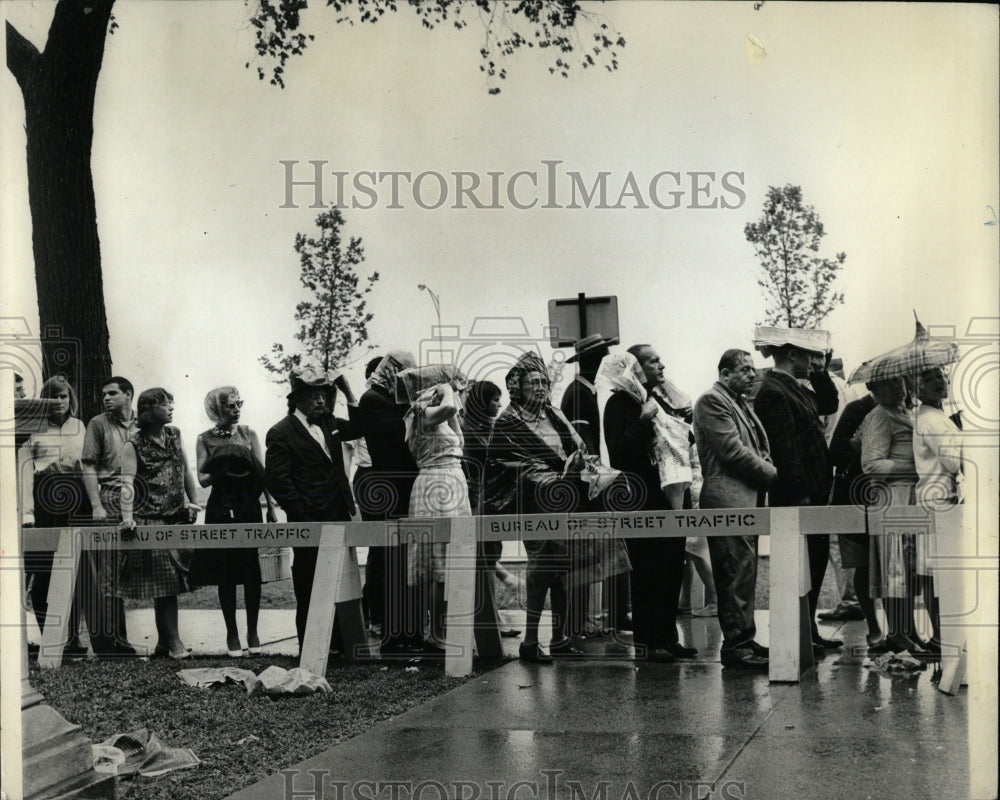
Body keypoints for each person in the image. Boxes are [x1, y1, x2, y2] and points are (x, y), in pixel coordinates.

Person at [484, 352, 596, 663]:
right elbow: (503, 466)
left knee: (564, 569)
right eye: (534, 382)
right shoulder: (508, 421)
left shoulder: (556, 414)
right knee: (540, 570)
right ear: (517, 386)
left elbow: (578, 447)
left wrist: (580, 465)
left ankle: (559, 638)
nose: (540, 387)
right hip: (533, 504)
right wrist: (549, 476)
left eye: (544, 382)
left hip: (565, 502)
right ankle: (530, 642)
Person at [603, 345, 697, 663]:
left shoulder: (655, 401)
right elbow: (618, 453)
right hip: (642, 500)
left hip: (669, 496)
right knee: (648, 571)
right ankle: (647, 642)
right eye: (653, 360)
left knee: (672, 567)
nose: (662, 365)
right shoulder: (619, 403)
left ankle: (667, 637)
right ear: (635, 368)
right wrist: (643, 421)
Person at [265, 366, 362, 654]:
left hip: (339, 514)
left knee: (342, 580)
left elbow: (361, 427)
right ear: (296, 399)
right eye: (313, 395)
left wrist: (348, 392)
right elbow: (277, 480)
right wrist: (303, 513)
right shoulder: (280, 432)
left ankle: (342, 643)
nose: (320, 401)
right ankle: (311, 645)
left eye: (323, 394)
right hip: (308, 520)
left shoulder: (330, 422)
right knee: (309, 581)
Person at [692, 349, 777, 671]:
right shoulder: (711, 401)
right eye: (744, 370)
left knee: (744, 572)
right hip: (727, 498)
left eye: (753, 369)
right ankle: (736, 646)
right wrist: (772, 475)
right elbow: (732, 451)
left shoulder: (737, 401)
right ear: (725, 373)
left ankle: (743, 639)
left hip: (744, 498)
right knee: (733, 573)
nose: (752, 375)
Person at [754, 339, 841, 652]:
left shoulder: (794, 386)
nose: (811, 360)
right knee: (799, 565)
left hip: (813, 490)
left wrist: (820, 372)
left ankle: (808, 628)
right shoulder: (773, 390)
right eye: (808, 355)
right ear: (792, 354)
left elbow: (829, 404)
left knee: (814, 561)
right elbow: (784, 448)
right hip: (798, 494)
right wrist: (799, 492)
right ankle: (797, 632)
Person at [188, 386, 276, 657]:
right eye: (231, 406)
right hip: (220, 506)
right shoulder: (204, 438)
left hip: (249, 505)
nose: (237, 409)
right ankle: (232, 635)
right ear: (217, 410)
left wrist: (270, 507)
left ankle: (253, 632)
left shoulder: (249, 434)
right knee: (226, 572)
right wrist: (223, 464)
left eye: (240, 404)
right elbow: (202, 479)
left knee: (251, 571)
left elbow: (262, 474)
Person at [119, 388, 202, 659]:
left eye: (171, 403)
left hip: (178, 518)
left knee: (170, 584)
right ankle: (175, 642)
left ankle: (163, 644)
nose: (171, 408)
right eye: (165, 403)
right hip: (150, 520)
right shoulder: (133, 444)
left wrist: (195, 501)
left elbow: (186, 470)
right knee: (164, 583)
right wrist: (128, 517)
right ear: (148, 410)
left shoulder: (175, 434)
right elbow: (127, 483)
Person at [355, 351, 424, 656]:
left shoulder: (389, 399)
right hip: (391, 488)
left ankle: (409, 630)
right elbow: (399, 437)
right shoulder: (374, 399)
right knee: (393, 562)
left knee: (406, 560)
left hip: (403, 488)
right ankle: (395, 636)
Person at [18, 374, 91, 658]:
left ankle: (72, 638)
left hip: (76, 503)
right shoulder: (33, 427)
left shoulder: (79, 425)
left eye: (63, 396)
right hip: (44, 503)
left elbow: (87, 464)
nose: (59, 401)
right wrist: (28, 512)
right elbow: (25, 469)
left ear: (70, 399)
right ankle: (50, 636)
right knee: (44, 570)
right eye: (53, 396)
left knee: (74, 570)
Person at [857, 376, 926, 655]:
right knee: (895, 566)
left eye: (900, 382)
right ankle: (897, 633)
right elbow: (871, 464)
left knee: (908, 566)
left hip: (910, 497)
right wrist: (915, 466)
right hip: (893, 497)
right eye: (888, 384)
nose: (898, 388)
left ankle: (908, 630)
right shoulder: (879, 416)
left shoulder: (906, 412)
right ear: (873, 390)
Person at [560, 333, 619, 640]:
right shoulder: (579, 395)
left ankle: (589, 620)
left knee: (590, 556)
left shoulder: (584, 392)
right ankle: (586, 622)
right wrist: (596, 486)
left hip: (587, 485)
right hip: (585, 488)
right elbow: (584, 449)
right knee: (585, 556)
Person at [80, 376, 139, 657]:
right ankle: (113, 643)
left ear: (128, 395)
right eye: (104, 394)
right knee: (109, 572)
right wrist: (96, 504)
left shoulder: (143, 422)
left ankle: (165, 640)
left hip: (144, 501)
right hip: (111, 498)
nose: (106, 398)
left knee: (138, 571)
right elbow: (89, 465)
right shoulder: (98, 424)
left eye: (112, 393)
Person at [461, 380, 520, 638]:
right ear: (481, 402)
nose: (499, 404)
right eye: (494, 399)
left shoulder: (487, 427)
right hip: (477, 501)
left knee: (488, 558)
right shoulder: (472, 430)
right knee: (483, 559)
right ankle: (491, 619)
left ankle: (492, 618)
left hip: (490, 500)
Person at [911, 365, 961, 653]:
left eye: (940, 377)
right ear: (917, 387)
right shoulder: (930, 420)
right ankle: (941, 636)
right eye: (928, 379)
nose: (937, 382)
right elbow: (953, 462)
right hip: (938, 503)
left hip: (939, 501)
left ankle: (942, 635)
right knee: (933, 572)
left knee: (933, 571)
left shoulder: (935, 416)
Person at [828, 390, 882, 649]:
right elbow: (836, 453)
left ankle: (894, 629)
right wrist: (858, 444)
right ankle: (873, 626)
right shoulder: (856, 409)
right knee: (863, 563)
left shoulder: (904, 410)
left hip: (886, 494)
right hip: (856, 494)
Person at [348, 356, 383, 634]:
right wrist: (348, 495)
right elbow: (349, 454)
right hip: (369, 476)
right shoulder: (361, 407)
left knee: (394, 549)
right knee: (379, 548)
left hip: (391, 477)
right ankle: (373, 615)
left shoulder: (393, 405)